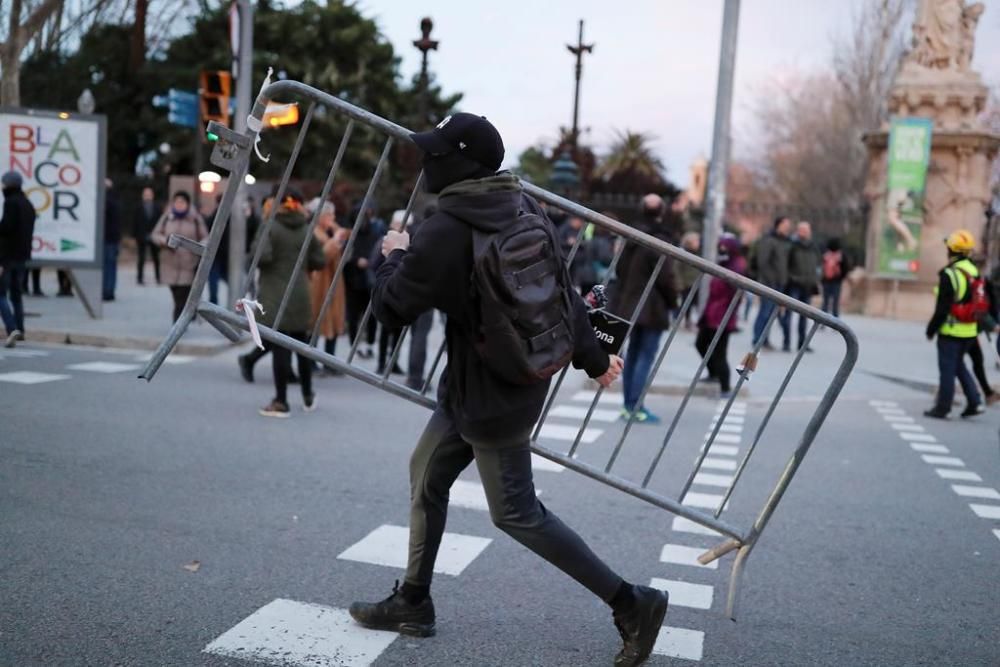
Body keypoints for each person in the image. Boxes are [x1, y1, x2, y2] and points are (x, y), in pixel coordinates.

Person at [352, 112, 668, 667]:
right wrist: (592, 359)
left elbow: (391, 307)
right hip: (486, 381)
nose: (427, 162)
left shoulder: (447, 228)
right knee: (425, 475)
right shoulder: (524, 206)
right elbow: (563, 292)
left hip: (494, 395)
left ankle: (631, 602)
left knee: (516, 513)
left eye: (436, 153)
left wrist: (394, 255)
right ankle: (413, 600)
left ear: (459, 164)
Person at [253, 187, 325, 417]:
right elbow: (319, 260)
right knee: (301, 347)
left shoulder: (270, 226)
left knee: (281, 350)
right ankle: (307, 394)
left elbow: (261, 257)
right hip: (301, 294)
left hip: (275, 296)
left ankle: (281, 400)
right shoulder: (306, 228)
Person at [611, 193, 678, 424]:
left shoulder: (631, 238)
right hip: (653, 306)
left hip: (629, 305)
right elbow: (666, 276)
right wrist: (674, 302)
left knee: (632, 356)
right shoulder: (659, 239)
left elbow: (619, 270)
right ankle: (635, 405)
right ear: (661, 212)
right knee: (644, 357)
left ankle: (628, 405)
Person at [923, 230, 984, 419]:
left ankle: (943, 407)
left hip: (951, 331)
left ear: (951, 249)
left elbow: (943, 308)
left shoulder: (950, 274)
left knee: (947, 369)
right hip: (970, 330)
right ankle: (975, 402)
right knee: (958, 365)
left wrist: (931, 329)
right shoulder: (974, 270)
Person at [697, 235, 746, 399]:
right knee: (701, 344)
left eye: (724, 247)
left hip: (722, 318)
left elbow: (736, 295)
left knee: (719, 353)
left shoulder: (736, 266)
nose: (721, 250)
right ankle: (713, 374)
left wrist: (728, 316)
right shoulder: (723, 264)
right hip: (711, 314)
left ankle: (725, 388)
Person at [150, 191, 208, 322]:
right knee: (176, 293)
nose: (179, 205)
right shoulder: (167, 217)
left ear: (188, 204)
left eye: (182, 202)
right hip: (169, 263)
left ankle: (177, 322)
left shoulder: (195, 219)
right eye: (177, 202)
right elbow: (155, 234)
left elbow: (205, 237)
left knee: (182, 296)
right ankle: (184, 317)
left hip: (188, 263)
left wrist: (198, 247)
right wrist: (164, 241)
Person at [308, 199, 348, 367]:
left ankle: (328, 360)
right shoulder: (314, 232)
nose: (333, 217)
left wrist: (338, 234)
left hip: (332, 282)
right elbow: (321, 256)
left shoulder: (328, 230)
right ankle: (311, 360)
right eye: (329, 214)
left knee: (333, 319)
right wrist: (335, 240)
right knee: (316, 321)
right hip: (318, 283)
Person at [0, 171, 36, 347]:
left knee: (0, 294)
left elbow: (6, 230)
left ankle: (11, 328)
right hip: (22, 256)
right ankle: (20, 329)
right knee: (16, 295)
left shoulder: (10, 203)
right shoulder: (28, 204)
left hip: (7, 257)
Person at [371, 210, 408, 375]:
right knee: (385, 330)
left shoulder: (408, 242)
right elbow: (374, 263)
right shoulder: (385, 241)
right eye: (399, 224)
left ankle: (394, 361)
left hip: (401, 291)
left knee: (398, 330)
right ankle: (381, 362)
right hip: (386, 287)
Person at [405, 204, 437, 392]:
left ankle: (412, 373)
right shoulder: (434, 234)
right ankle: (415, 376)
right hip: (425, 289)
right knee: (420, 335)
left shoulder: (412, 232)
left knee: (414, 333)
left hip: (408, 286)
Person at [343, 201, 380, 359]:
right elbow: (345, 255)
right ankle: (354, 345)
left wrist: (370, 262)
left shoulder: (374, 233)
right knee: (353, 316)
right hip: (352, 280)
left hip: (369, 280)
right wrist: (356, 260)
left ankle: (370, 344)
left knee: (370, 315)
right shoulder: (349, 235)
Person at [751, 216, 793, 350]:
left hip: (780, 283)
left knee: (770, 314)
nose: (788, 227)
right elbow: (762, 262)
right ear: (778, 225)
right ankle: (758, 339)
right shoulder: (769, 240)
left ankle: (765, 339)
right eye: (786, 224)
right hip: (769, 283)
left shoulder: (785, 242)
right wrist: (770, 279)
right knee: (765, 312)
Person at [786, 221, 820, 351]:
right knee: (789, 315)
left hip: (808, 285)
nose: (805, 232)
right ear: (798, 231)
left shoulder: (813, 247)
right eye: (802, 230)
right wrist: (792, 278)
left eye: (807, 230)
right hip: (794, 284)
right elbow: (786, 264)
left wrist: (815, 279)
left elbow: (817, 264)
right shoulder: (792, 246)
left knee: (804, 317)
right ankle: (787, 342)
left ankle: (802, 344)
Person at [674, 231, 702, 329]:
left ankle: (687, 322)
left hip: (693, 284)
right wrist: (680, 284)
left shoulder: (696, 254)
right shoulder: (683, 253)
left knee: (690, 304)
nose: (698, 243)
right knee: (684, 304)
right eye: (696, 241)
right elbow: (677, 269)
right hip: (685, 284)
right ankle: (678, 320)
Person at [135, 187, 162, 285]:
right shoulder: (138, 207)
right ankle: (139, 278)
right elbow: (135, 222)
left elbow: (160, 221)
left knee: (156, 258)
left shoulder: (157, 207)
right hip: (141, 235)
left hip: (154, 235)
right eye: (145, 194)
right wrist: (136, 235)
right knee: (141, 258)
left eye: (149, 194)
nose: (147, 196)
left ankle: (158, 278)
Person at [820, 237, 850, 317]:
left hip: (827, 281)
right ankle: (835, 320)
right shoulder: (841, 255)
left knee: (825, 301)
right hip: (836, 281)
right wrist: (841, 277)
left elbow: (821, 267)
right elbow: (846, 267)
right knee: (835, 302)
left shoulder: (825, 254)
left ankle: (822, 320)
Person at [102, 179, 121, 302]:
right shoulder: (116, 201)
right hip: (114, 238)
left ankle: (106, 291)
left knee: (107, 266)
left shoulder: (105, 202)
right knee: (112, 266)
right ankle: (110, 290)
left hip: (106, 238)